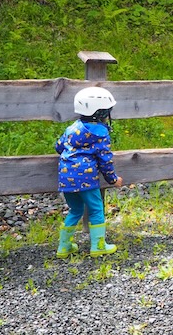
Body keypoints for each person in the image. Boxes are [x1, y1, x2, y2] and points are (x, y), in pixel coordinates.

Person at [55, 86, 123, 258]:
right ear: (100, 112)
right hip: (86, 179)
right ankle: (98, 246)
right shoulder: (100, 133)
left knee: (75, 210)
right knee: (96, 209)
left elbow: (58, 146)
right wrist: (113, 179)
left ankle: (64, 247)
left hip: (65, 178)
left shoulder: (72, 128)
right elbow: (105, 159)